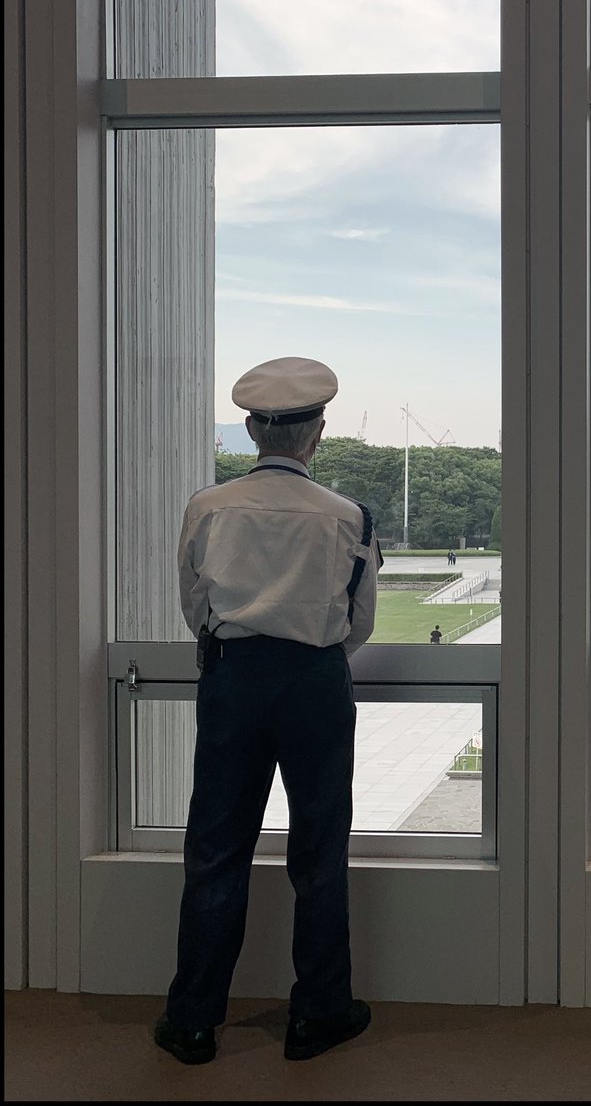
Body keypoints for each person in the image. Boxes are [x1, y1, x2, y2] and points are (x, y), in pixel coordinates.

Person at [154, 356, 382, 1066]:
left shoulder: (208, 508)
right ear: (317, 434)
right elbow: (359, 624)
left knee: (216, 851)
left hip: (235, 678)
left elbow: (196, 607)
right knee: (319, 852)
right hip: (315, 682)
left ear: (252, 429)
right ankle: (318, 1012)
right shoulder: (348, 516)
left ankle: (194, 1019)